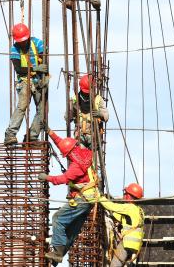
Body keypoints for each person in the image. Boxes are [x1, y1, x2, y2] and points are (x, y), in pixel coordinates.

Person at [39, 129, 99, 265]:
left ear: (69, 153)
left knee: (58, 219)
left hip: (81, 200)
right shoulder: (85, 153)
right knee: (71, 231)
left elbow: (63, 179)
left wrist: (46, 177)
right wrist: (50, 132)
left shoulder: (76, 166)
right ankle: (57, 256)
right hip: (89, 201)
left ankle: (58, 253)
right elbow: (63, 143)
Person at [5, 23, 48, 145]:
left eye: (24, 41)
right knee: (22, 106)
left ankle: (32, 136)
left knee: (42, 110)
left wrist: (42, 71)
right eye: (20, 41)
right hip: (25, 81)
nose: (22, 43)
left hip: (38, 81)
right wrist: (36, 68)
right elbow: (18, 69)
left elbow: (44, 60)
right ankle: (10, 134)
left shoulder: (38, 43)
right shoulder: (15, 49)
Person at [99, 184, 145, 267]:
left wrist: (100, 198)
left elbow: (112, 206)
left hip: (127, 242)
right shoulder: (139, 210)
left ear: (129, 196)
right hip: (136, 245)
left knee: (114, 265)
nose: (124, 196)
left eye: (125, 193)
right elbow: (123, 218)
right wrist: (111, 214)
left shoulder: (129, 207)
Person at [65, 74, 109, 148]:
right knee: (81, 156)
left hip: (94, 135)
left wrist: (100, 114)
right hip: (80, 135)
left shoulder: (98, 99)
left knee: (93, 158)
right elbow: (67, 118)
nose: (86, 94)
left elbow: (106, 116)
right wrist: (72, 111)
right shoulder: (75, 99)